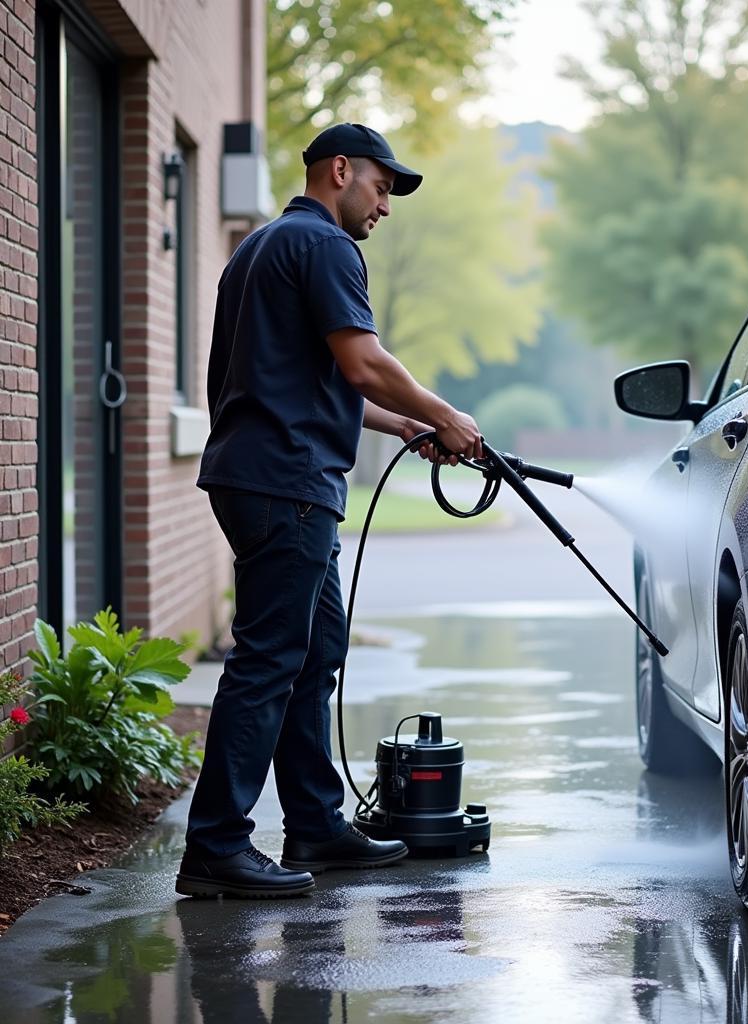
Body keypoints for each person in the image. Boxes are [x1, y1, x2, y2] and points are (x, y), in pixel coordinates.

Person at [175, 123, 483, 899]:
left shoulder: (259, 249)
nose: (385, 206)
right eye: (381, 186)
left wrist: (405, 424)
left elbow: (305, 376)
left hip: (262, 474)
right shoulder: (327, 248)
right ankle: (216, 847)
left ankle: (314, 822)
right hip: (287, 481)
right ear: (339, 170)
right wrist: (448, 415)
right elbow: (363, 361)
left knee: (316, 650)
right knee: (271, 658)